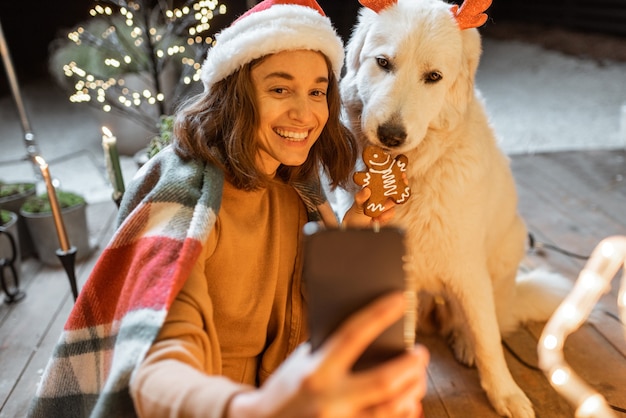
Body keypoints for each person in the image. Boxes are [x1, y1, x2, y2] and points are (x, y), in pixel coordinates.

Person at [28, 1, 429, 417]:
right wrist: (252, 408)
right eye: (279, 88)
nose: (305, 112)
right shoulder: (187, 194)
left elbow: (296, 314)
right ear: (236, 94)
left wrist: (349, 241)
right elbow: (154, 364)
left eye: (316, 91)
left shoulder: (294, 184)